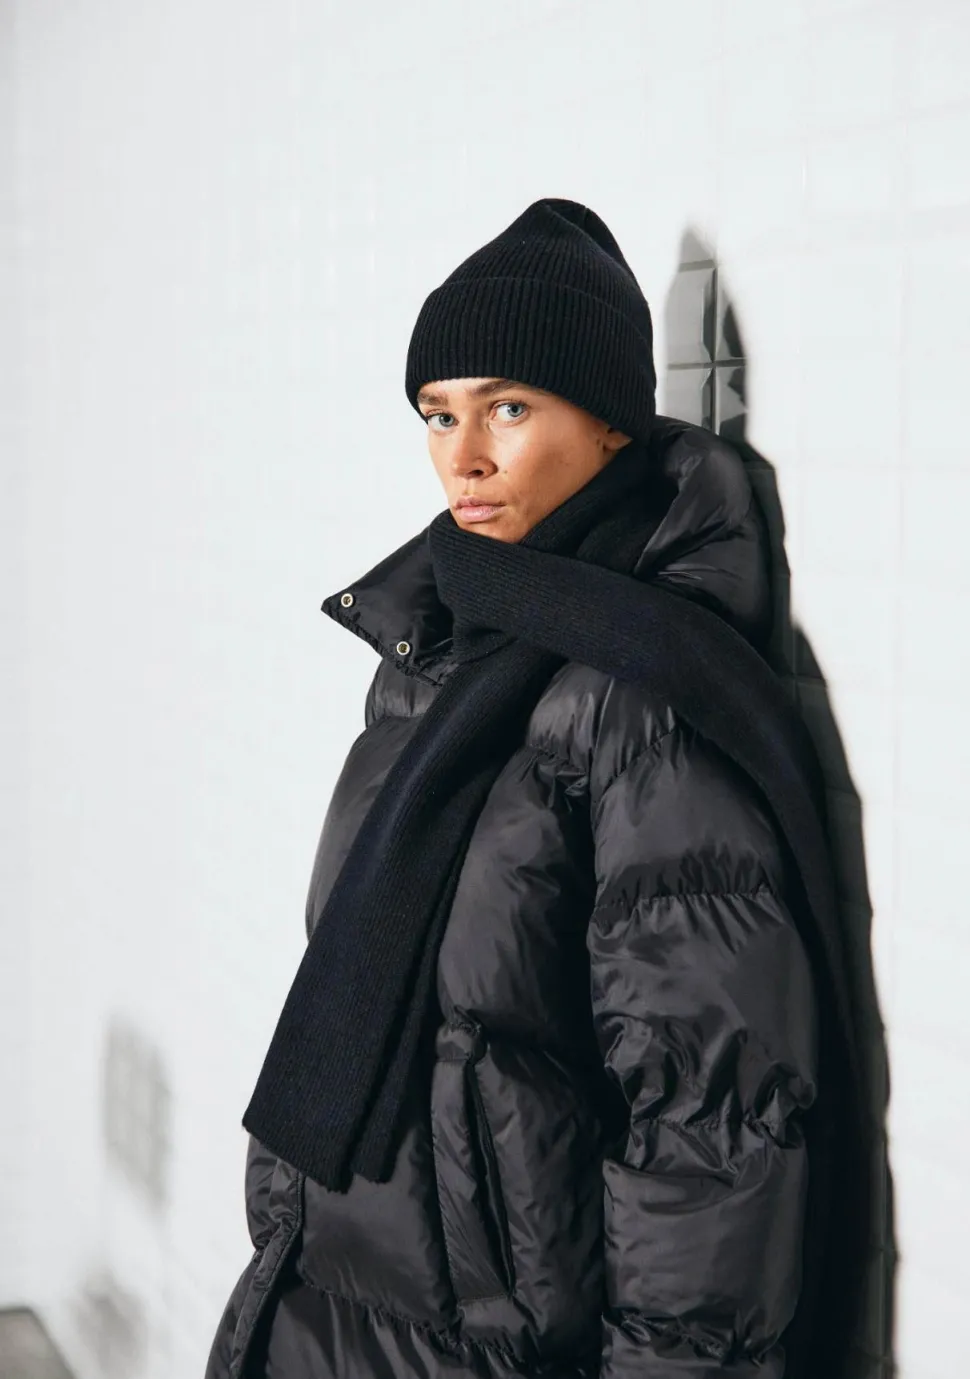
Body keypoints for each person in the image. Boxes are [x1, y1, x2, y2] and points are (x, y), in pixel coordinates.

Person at [205, 198, 863, 1379]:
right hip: (343, 1299)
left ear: (609, 422)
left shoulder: (641, 697)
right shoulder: (438, 656)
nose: (461, 454)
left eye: (508, 407)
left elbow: (708, 1126)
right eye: (437, 412)